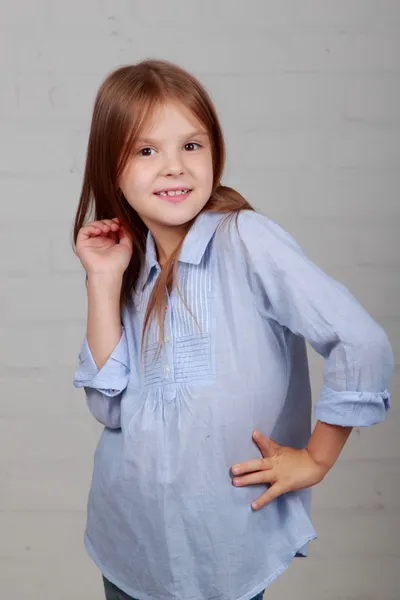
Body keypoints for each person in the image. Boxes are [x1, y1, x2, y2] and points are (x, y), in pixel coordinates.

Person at [72, 59, 393, 600]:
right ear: (113, 169)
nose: (174, 167)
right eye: (147, 150)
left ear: (215, 151)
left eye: (191, 146)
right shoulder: (131, 264)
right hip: (130, 538)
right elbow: (109, 410)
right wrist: (104, 281)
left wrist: (315, 459)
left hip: (222, 543)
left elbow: (360, 342)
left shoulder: (247, 240)